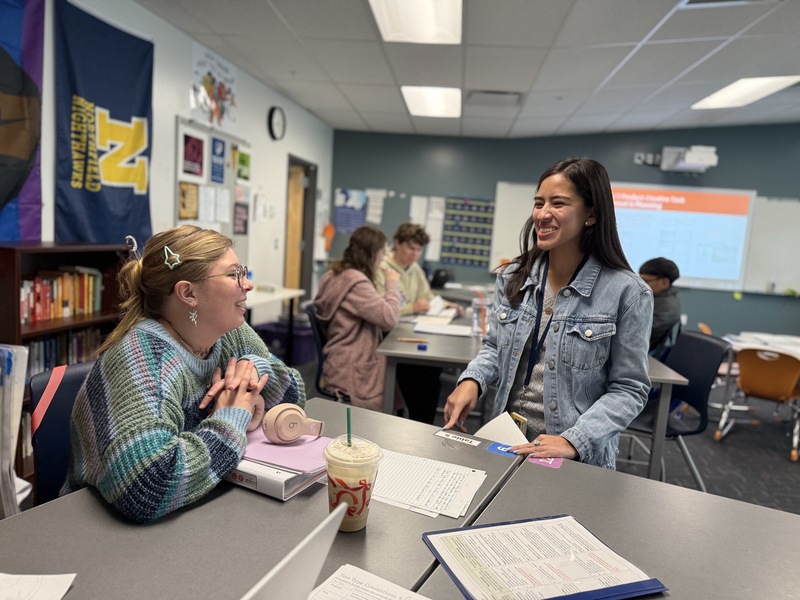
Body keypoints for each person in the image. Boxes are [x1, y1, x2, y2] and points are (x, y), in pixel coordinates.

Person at [62, 225, 305, 522]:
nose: (248, 284)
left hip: (196, 506)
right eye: (234, 275)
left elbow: (294, 401)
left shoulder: (231, 333)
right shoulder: (141, 359)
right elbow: (146, 486)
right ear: (188, 293)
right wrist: (232, 417)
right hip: (96, 530)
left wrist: (257, 369)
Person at [443, 157, 653, 469]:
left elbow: (629, 389)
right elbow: (493, 347)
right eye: (539, 203)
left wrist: (574, 439)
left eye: (558, 203)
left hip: (574, 459)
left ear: (592, 215)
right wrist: (471, 381)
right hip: (505, 442)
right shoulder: (513, 275)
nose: (542, 214)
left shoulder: (627, 292)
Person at [314, 225, 402, 411]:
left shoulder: (335, 274)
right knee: (410, 381)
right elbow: (389, 318)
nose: (383, 258)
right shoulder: (356, 282)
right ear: (373, 254)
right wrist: (392, 285)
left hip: (338, 358)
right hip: (351, 367)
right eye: (382, 253)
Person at [374, 222, 441, 423]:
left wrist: (446, 305)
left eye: (419, 250)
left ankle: (423, 423)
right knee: (421, 377)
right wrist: (413, 307)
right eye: (411, 248)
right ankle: (418, 423)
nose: (415, 254)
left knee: (433, 371)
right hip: (390, 335)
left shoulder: (414, 268)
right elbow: (382, 308)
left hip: (411, 330)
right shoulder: (382, 268)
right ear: (397, 243)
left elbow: (427, 297)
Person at [639, 257, 681, 354]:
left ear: (664, 283)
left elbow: (637, 332)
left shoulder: (666, 307)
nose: (640, 284)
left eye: (645, 281)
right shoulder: (656, 297)